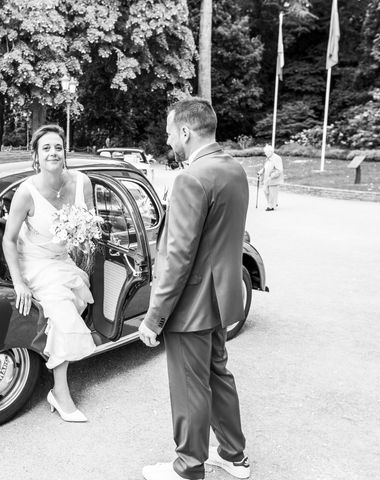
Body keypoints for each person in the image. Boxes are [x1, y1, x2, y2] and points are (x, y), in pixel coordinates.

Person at [139, 98, 251, 480]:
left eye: (171, 132)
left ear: (186, 132)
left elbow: (178, 255)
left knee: (189, 388)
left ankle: (188, 467)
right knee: (218, 375)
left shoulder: (190, 178)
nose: (169, 140)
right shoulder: (234, 169)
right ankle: (234, 456)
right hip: (222, 298)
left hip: (192, 305)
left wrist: (154, 317)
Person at [2, 124, 96, 423]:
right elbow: (8, 239)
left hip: (64, 260)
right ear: (37, 157)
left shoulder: (82, 183)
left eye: (58, 147)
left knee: (78, 301)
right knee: (64, 318)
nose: (53, 152)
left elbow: (91, 224)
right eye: (46, 148)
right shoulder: (26, 192)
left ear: (64, 151)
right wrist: (19, 283)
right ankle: (60, 392)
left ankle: (53, 352)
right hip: (35, 263)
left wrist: (84, 234)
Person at [258, 144, 284, 211]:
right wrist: (260, 172)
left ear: (270, 152)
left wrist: (272, 176)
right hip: (267, 178)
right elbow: (266, 167)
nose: (265, 153)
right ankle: (273, 203)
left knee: (272, 192)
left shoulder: (277, 158)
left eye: (266, 152)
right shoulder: (268, 157)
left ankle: (271, 206)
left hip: (273, 179)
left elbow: (279, 170)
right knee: (265, 190)